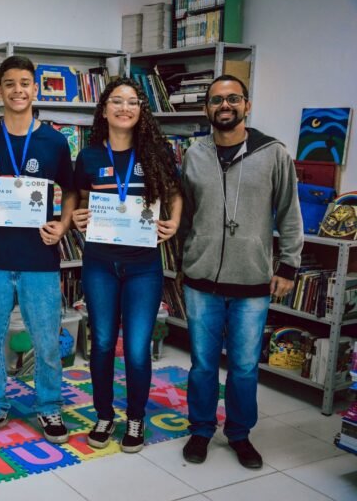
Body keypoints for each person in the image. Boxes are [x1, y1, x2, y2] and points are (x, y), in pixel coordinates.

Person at [179, 74, 303, 468]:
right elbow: (185, 214)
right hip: (201, 279)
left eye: (233, 99)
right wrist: (185, 257)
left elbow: (290, 213)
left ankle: (239, 434)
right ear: (207, 109)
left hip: (252, 280)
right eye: (217, 100)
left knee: (245, 367)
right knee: (201, 364)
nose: (225, 106)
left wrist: (289, 265)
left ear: (247, 105)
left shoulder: (274, 153)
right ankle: (200, 430)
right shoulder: (193, 154)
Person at [0, 55, 78, 444]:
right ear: (0, 90)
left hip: (39, 259)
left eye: (25, 82)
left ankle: (50, 407)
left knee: (45, 341)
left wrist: (63, 224)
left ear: (35, 88)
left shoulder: (55, 141)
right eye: (10, 83)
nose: (18, 89)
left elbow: (71, 190)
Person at [71, 78, 182, 453]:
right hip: (100, 263)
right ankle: (104, 414)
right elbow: (80, 196)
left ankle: (135, 417)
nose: (124, 107)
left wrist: (175, 221)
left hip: (143, 267)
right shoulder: (88, 156)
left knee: (136, 348)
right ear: (104, 110)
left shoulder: (155, 153)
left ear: (141, 111)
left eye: (132, 102)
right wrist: (78, 216)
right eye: (116, 101)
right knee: (101, 343)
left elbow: (174, 193)